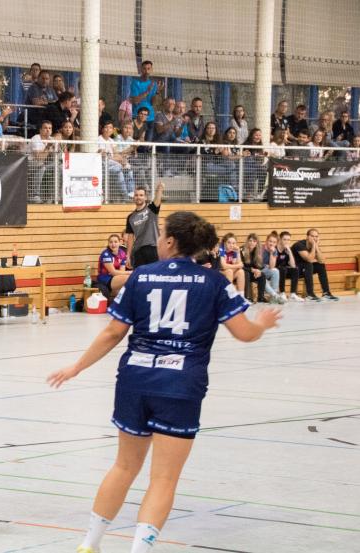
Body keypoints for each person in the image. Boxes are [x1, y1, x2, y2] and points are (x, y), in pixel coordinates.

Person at [47, 211, 281, 553]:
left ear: (170, 242)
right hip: (180, 385)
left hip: (135, 380)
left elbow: (113, 332)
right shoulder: (215, 282)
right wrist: (261, 324)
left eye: (159, 235)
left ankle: (89, 544)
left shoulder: (141, 276)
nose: (156, 241)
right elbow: (244, 333)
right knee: (164, 478)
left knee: (123, 466)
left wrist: (76, 367)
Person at [125, 182, 165, 269]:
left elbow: (157, 199)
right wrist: (128, 256)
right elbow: (130, 237)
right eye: (136, 195)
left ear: (145, 197)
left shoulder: (151, 209)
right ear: (133, 197)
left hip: (153, 249)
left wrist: (160, 189)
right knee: (140, 275)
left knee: (154, 274)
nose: (138, 197)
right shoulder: (130, 217)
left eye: (141, 195)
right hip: (138, 251)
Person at [291, 229, 339, 301]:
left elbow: (322, 260)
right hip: (294, 271)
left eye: (316, 236)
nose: (314, 238)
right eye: (312, 236)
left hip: (305, 270)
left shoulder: (314, 246)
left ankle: (326, 293)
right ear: (307, 237)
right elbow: (309, 259)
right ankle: (310, 294)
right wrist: (314, 245)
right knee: (309, 265)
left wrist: (316, 246)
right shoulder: (299, 245)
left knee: (320, 266)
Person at [98, 122, 132, 199]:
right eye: (106, 127)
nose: (108, 129)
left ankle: (131, 194)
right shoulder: (99, 139)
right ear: (102, 129)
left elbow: (115, 154)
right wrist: (118, 161)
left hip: (113, 164)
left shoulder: (111, 140)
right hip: (104, 165)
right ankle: (126, 197)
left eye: (110, 128)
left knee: (128, 169)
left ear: (113, 130)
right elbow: (106, 156)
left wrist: (122, 160)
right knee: (119, 168)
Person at [129, 60, 161, 130]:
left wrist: (157, 92)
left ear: (151, 70)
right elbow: (135, 101)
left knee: (149, 137)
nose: (146, 71)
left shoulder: (154, 84)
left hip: (150, 117)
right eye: (144, 69)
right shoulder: (135, 82)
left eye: (148, 69)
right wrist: (147, 91)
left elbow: (153, 103)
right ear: (141, 69)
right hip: (137, 117)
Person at [276, 231, 303, 302]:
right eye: (284, 239)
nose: (286, 242)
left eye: (288, 240)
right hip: (276, 271)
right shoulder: (275, 249)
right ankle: (282, 293)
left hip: (284, 272)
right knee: (282, 269)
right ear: (280, 239)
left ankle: (293, 294)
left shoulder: (287, 250)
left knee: (295, 269)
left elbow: (293, 265)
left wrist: (290, 252)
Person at [240, 233, 267, 303]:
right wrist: (252, 270)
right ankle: (247, 297)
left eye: (254, 241)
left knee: (262, 275)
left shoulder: (257, 251)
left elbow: (259, 265)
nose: (252, 243)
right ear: (247, 241)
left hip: (252, 273)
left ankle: (261, 297)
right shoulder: (242, 250)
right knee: (246, 273)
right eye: (250, 241)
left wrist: (258, 271)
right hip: (243, 273)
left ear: (257, 243)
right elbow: (241, 266)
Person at [260, 232, 285, 304]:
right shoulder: (261, 248)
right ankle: (275, 295)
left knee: (276, 271)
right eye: (270, 241)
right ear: (266, 241)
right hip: (258, 270)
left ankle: (273, 297)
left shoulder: (274, 251)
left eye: (274, 242)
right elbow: (258, 264)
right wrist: (265, 265)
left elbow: (271, 266)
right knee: (262, 278)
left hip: (266, 270)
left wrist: (271, 253)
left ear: (276, 244)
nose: (271, 243)